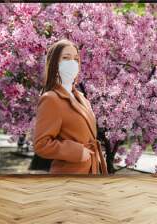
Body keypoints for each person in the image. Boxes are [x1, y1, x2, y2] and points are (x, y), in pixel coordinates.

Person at [33, 39, 108, 175]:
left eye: (76, 59)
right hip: (69, 174)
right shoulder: (51, 99)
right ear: (55, 63)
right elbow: (41, 144)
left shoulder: (82, 98)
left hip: (92, 171)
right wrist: (77, 152)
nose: (72, 63)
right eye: (66, 58)